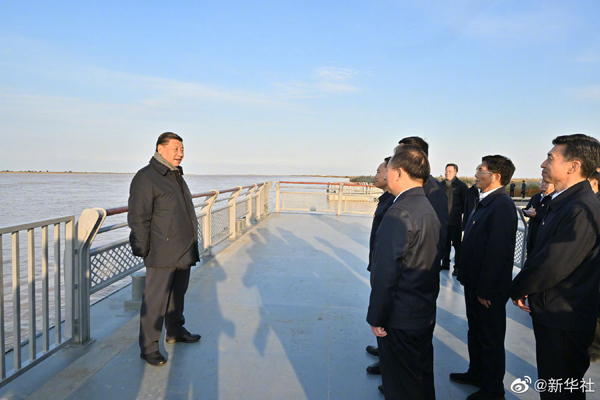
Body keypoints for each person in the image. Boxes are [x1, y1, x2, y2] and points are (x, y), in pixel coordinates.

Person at [510, 134, 600, 400]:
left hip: (565, 317)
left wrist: (518, 288)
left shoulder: (580, 208)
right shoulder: (564, 202)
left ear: (573, 166)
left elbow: (553, 263)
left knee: (561, 388)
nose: (543, 164)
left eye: (550, 158)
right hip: (554, 310)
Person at [367, 145, 440, 400]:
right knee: (419, 380)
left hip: (400, 316)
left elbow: (386, 272)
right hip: (421, 310)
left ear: (398, 173)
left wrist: (376, 316)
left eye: (387, 170)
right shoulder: (426, 207)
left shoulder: (399, 212)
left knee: (400, 386)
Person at [128, 132, 201, 367]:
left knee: (178, 294)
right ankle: (149, 348)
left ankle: (175, 331)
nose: (180, 154)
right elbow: (139, 217)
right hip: (161, 250)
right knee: (156, 301)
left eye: (182, 149)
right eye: (175, 149)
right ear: (160, 149)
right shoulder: (146, 177)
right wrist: (143, 248)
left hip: (182, 247)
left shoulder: (175, 175)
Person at [451, 155, 517, 400]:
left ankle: (492, 390)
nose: (476, 174)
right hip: (475, 282)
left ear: (496, 176)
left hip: (487, 289)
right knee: (476, 331)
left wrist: (486, 290)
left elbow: (498, 252)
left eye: (481, 170)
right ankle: (476, 372)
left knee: (490, 338)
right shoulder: (485, 200)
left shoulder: (501, 205)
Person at [365, 157, 395, 375]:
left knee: (386, 312)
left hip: (384, 266)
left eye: (378, 171)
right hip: (377, 262)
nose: (375, 176)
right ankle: (383, 351)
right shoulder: (387, 199)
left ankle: (387, 360)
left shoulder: (395, 203)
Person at [396, 137, 448, 260]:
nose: (395, 159)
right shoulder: (404, 186)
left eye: (400, 154)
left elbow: (439, 231)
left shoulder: (432, 188)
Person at [441, 163, 468, 276]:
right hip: (443, 221)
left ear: (456, 172)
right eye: (446, 171)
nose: (447, 173)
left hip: (455, 221)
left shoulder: (461, 186)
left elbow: (466, 204)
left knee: (457, 245)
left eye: (450, 171)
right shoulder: (441, 185)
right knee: (444, 244)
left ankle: (457, 267)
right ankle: (445, 264)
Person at [523, 180, 554, 256]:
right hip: (531, 235)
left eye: (547, 183)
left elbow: (550, 218)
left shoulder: (554, 199)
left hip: (543, 237)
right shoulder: (536, 197)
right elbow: (526, 209)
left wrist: (536, 215)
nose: (543, 184)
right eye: (542, 182)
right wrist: (527, 211)